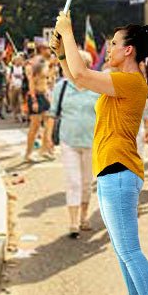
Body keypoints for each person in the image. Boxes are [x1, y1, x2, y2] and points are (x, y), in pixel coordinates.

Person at [53, 14, 148, 295]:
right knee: (122, 250)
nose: (109, 48)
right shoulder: (117, 79)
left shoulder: (131, 82)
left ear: (129, 50)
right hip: (110, 171)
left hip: (119, 171)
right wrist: (62, 51)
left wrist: (68, 31)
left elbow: (80, 73)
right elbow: (76, 78)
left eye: (115, 43)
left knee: (130, 249)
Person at [49, 50, 101, 236]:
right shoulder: (61, 87)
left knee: (86, 182)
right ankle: (72, 222)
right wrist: (47, 137)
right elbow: (53, 113)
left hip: (92, 141)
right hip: (68, 140)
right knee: (73, 182)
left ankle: (83, 217)